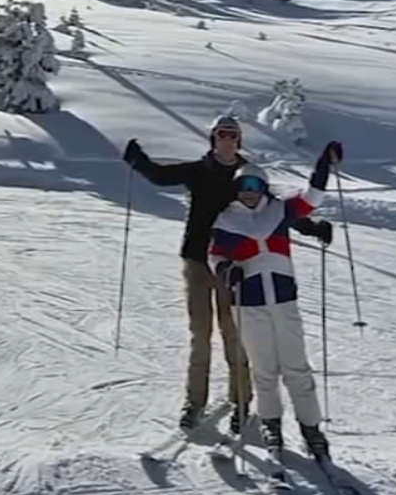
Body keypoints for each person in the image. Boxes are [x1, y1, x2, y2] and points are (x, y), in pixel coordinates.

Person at [121, 116, 334, 436]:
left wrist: (311, 227)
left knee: (235, 334)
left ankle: (242, 400)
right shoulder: (198, 170)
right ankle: (195, 402)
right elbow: (161, 176)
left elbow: (273, 209)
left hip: (236, 265)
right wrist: (138, 161)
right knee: (200, 334)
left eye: (233, 134)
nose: (227, 139)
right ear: (213, 138)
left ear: (239, 139)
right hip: (197, 260)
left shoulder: (247, 175)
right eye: (222, 134)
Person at [207, 141, 343, 464]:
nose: (249, 192)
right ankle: (271, 425)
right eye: (243, 186)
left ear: (264, 187)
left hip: (283, 300)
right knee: (264, 369)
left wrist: (323, 164)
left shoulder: (280, 211)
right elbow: (215, 256)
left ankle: (311, 428)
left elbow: (312, 198)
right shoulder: (225, 221)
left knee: (296, 367)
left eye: (255, 186)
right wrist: (226, 270)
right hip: (248, 303)